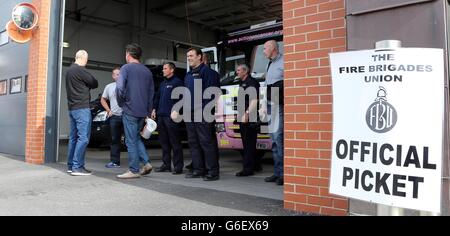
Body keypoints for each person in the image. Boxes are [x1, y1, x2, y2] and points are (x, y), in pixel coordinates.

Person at [116, 43, 155, 179]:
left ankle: (133, 170)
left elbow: (120, 88)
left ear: (128, 54)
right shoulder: (147, 71)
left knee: (130, 141)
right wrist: (148, 112)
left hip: (130, 110)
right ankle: (146, 163)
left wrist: (123, 103)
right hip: (142, 112)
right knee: (136, 138)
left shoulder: (126, 68)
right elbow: (151, 94)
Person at [183, 48, 220, 181]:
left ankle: (212, 171)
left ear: (199, 57)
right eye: (187, 56)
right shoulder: (188, 75)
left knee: (206, 142)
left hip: (203, 113)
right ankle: (198, 169)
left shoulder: (209, 73)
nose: (189, 58)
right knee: (193, 143)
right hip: (189, 114)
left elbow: (213, 94)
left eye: (191, 55)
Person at [66, 50, 99, 176]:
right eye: (87, 59)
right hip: (82, 108)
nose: (86, 62)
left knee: (74, 138)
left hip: (72, 108)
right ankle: (77, 167)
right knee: (83, 138)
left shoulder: (69, 71)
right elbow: (94, 83)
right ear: (84, 58)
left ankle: (71, 166)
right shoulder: (81, 70)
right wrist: (87, 86)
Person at [151, 62, 184, 175]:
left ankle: (178, 167)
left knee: (175, 142)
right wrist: (154, 109)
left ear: (172, 70)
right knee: (164, 143)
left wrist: (177, 110)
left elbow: (182, 99)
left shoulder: (178, 82)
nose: (163, 70)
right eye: (163, 68)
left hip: (171, 118)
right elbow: (157, 97)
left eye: (165, 68)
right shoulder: (163, 83)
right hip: (161, 116)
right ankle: (166, 165)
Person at [261, 40, 284, 185]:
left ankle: (283, 174)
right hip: (270, 104)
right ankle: (277, 172)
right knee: (273, 141)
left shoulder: (284, 61)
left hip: (278, 104)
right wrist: (263, 104)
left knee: (278, 138)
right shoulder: (270, 63)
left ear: (272, 48)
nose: (263, 51)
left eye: (264, 48)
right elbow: (266, 86)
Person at [236, 64, 259, 177]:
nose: (237, 72)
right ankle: (255, 165)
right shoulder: (241, 83)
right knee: (246, 143)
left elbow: (254, 100)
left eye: (239, 70)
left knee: (249, 143)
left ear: (246, 71)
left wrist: (247, 114)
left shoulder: (252, 82)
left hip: (249, 117)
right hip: (242, 116)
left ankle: (248, 169)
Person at [101, 67, 123, 168]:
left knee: (131, 140)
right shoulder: (109, 87)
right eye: (116, 74)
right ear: (113, 76)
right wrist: (108, 110)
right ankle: (115, 161)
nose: (118, 76)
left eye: (120, 74)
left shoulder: (127, 86)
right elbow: (103, 99)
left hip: (126, 116)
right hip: (114, 117)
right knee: (114, 140)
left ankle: (135, 162)